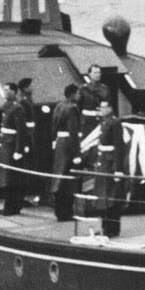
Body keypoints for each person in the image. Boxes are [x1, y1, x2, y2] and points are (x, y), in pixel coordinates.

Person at [93, 98, 126, 237]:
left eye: (105, 107)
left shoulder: (115, 122)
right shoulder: (104, 122)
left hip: (110, 163)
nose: (102, 110)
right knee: (103, 197)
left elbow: (119, 146)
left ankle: (112, 228)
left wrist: (118, 168)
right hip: (102, 162)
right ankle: (105, 225)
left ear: (111, 108)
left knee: (112, 198)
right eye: (101, 107)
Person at [50, 83, 82, 221]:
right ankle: (65, 213)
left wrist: (54, 140)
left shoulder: (59, 106)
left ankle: (59, 211)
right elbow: (73, 131)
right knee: (68, 181)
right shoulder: (72, 109)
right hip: (69, 145)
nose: (79, 96)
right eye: (78, 93)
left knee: (59, 177)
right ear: (73, 94)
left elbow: (53, 126)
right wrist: (76, 153)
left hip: (59, 143)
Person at [0, 83, 27, 215]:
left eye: (7, 90)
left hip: (12, 146)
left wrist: (18, 150)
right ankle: (12, 205)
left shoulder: (17, 108)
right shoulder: (7, 106)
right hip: (6, 144)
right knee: (8, 178)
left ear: (14, 92)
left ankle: (11, 207)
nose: (5, 92)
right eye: (4, 90)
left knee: (11, 179)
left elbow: (21, 130)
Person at [18, 77, 39, 202]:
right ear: (25, 88)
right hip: (27, 138)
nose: (32, 88)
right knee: (26, 165)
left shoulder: (27, 99)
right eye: (30, 86)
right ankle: (24, 195)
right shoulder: (23, 101)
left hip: (30, 136)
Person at [78, 64, 109, 140]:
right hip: (87, 122)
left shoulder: (105, 89)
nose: (97, 75)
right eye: (95, 72)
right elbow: (79, 107)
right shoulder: (83, 89)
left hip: (101, 121)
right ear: (89, 74)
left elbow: (108, 104)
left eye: (99, 72)